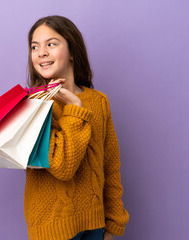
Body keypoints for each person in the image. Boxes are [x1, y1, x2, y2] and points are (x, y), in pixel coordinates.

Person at [24, 15, 129, 240]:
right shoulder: (33, 106)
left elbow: (109, 165)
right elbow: (62, 166)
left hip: (95, 225)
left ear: (72, 52)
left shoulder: (99, 101)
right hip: (52, 229)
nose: (41, 52)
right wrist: (74, 107)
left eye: (51, 44)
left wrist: (114, 222)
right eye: (35, 46)